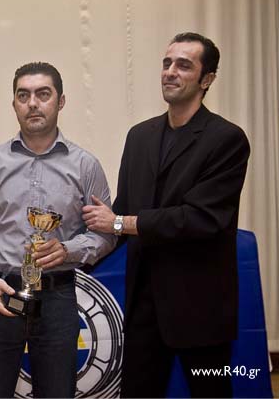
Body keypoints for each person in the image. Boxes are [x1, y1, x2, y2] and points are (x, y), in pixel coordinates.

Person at [82, 32, 250, 397]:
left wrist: (120, 222)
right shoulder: (139, 137)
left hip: (200, 310)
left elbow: (200, 219)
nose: (170, 72)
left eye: (184, 65)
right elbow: (121, 212)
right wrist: (71, 254)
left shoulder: (227, 139)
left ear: (207, 79)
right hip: (143, 309)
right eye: (167, 63)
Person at [0, 62, 116, 398]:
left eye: (43, 94)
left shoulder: (85, 165)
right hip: (1, 294)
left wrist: (68, 250)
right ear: (14, 103)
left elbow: (105, 233)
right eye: (23, 95)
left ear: (61, 101)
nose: (32, 103)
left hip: (58, 298)